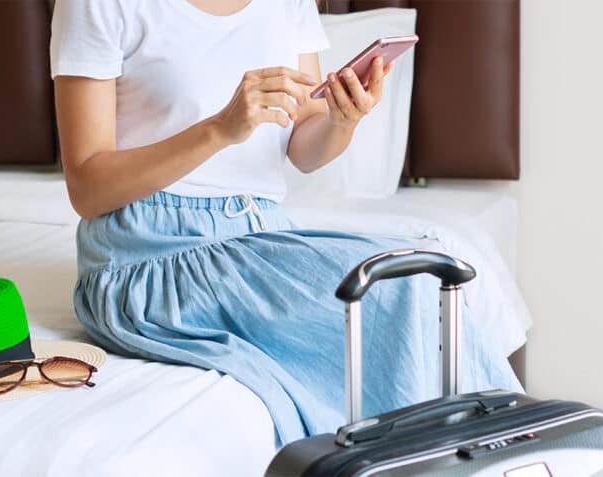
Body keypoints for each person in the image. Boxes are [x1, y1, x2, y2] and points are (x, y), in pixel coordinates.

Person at [51, 0, 521, 444]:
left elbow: (304, 147)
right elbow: (87, 189)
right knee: (399, 296)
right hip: (150, 257)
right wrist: (219, 130)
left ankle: (493, 451)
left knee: (418, 278)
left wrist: (342, 120)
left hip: (260, 238)